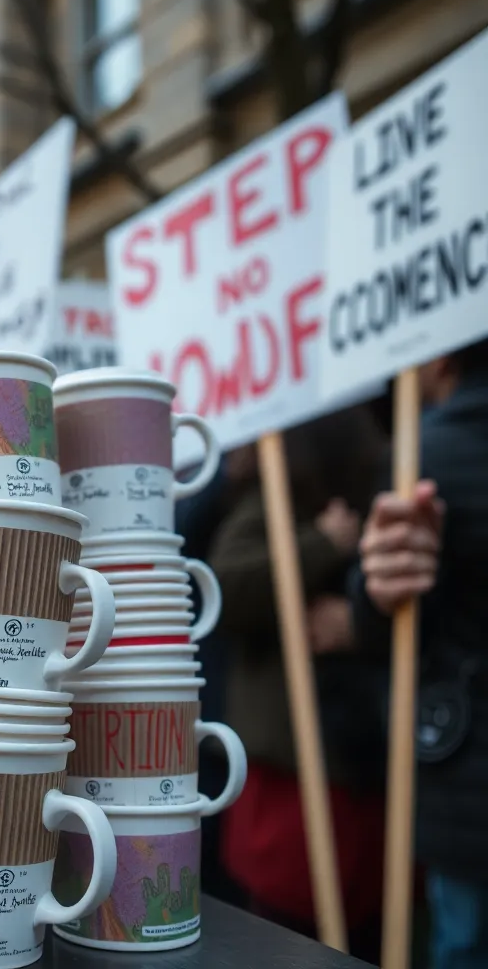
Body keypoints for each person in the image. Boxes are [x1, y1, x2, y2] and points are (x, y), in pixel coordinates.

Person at [207, 405, 390, 960]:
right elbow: (227, 584)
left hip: (356, 766)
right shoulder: (275, 503)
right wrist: (322, 545)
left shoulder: (375, 500)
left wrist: (358, 623)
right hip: (292, 773)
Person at [352, 338, 488, 969]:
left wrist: (371, 596)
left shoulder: (423, 454)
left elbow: (387, 631)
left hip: (466, 791)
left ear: (441, 360)